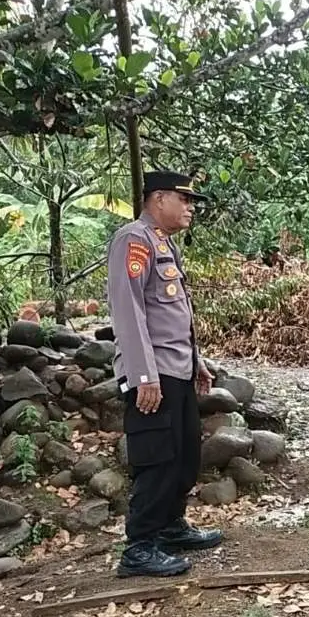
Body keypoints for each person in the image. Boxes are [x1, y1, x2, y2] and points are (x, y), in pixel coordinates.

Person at [106, 170, 221, 578]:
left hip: (176, 369)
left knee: (185, 456)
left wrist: (196, 361)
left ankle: (171, 527)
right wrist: (143, 375)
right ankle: (139, 548)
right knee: (156, 459)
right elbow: (129, 310)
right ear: (158, 199)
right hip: (153, 374)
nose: (190, 207)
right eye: (184, 199)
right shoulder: (133, 239)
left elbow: (172, 314)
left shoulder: (163, 243)